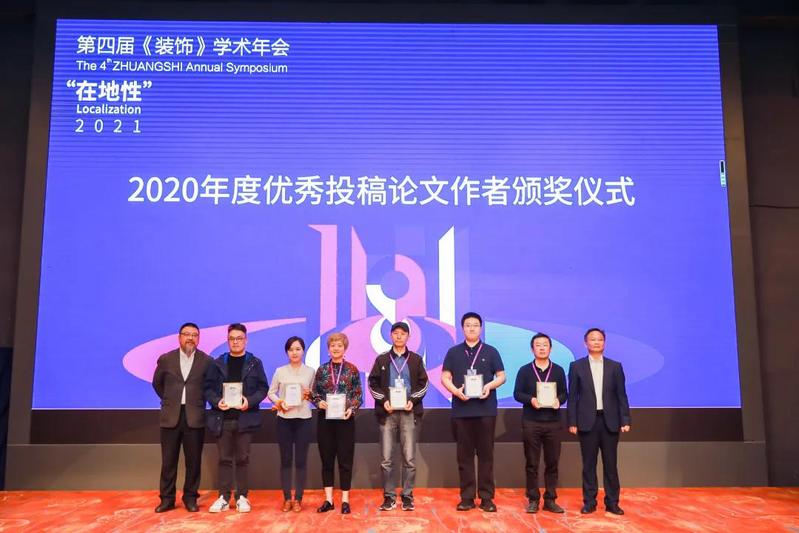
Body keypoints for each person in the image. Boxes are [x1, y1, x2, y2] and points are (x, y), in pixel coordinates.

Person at [440, 312, 506, 512]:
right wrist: (455, 392)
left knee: (486, 455)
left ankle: (486, 498)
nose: (471, 328)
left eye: (475, 325)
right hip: (462, 410)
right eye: (468, 325)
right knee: (464, 456)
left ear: (480, 328)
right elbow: (445, 377)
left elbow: (502, 376)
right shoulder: (453, 352)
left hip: (486, 410)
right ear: (462, 328)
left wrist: (489, 386)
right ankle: (467, 497)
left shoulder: (491, 351)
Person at [203, 323, 268, 513]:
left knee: (242, 459)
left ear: (246, 340)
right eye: (232, 339)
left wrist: (249, 401)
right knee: (224, 459)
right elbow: (208, 388)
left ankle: (242, 497)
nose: (235, 342)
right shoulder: (218, 363)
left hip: (245, 419)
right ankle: (223, 497)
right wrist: (217, 401)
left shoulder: (255, 362)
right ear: (227, 340)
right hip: (222, 419)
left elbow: (263, 388)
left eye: (239, 338)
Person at [567, 328, 631, 515]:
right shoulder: (576, 366)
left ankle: (612, 502)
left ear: (604, 343)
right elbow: (572, 397)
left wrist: (625, 419)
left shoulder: (615, 366)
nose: (596, 342)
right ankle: (589, 502)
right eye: (592, 339)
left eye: (600, 339)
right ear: (585, 343)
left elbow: (622, 395)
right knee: (588, 465)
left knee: (611, 465)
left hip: (610, 421)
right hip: (587, 422)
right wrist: (572, 421)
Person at [368, 321, 429, 512]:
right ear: (391, 336)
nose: (399, 336)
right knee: (386, 458)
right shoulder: (382, 359)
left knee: (409, 458)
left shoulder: (416, 359)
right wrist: (383, 401)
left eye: (403, 333)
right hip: (388, 413)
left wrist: (413, 400)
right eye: (396, 333)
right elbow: (372, 383)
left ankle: (408, 496)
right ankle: (389, 496)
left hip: (409, 412)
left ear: (408, 336)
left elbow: (424, 384)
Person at [152, 322, 212, 513]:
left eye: (194, 335)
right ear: (179, 337)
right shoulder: (166, 359)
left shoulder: (206, 361)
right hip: (171, 416)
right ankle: (167, 499)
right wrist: (170, 401)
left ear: (198, 339)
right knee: (168, 461)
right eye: (187, 334)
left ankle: (190, 497)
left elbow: (209, 387)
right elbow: (157, 384)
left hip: (194, 417)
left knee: (193, 462)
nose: (190, 338)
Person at [513, 332, 568, 514]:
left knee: (552, 463)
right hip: (531, 422)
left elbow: (564, 393)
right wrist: (531, 400)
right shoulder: (524, 370)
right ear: (532, 349)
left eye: (545, 345)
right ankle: (533, 499)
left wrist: (559, 400)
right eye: (538, 345)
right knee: (532, 463)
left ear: (550, 348)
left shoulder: (558, 370)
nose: (542, 348)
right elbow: (517, 393)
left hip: (553, 423)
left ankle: (550, 499)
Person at [311, 332, 363, 514]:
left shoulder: (352, 369)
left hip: (345, 420)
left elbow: (358, 395)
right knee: (327, 461)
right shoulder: (322, 370)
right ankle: (329, 500)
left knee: (345, 461)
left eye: (339, 345)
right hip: (325, 420)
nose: (336, 348)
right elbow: (314, 393)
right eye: (333, 345)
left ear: (344, 348)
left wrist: (352, 409)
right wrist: (319, 402)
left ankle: (345, 501)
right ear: (328, 349)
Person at [267, 336, 315, 512]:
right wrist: (279, 402)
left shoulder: (310, 371)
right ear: (287, 352)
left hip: (303, 419)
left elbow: (314, 395)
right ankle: (287, 498)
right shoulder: (280, 371)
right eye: (291, 349)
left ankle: (298, 499)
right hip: (284, 420)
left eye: (298, 349)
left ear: (303, 351)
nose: (294, 352)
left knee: (301, 460)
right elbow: (271, 392)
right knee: (286, 460)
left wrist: (309, 394)